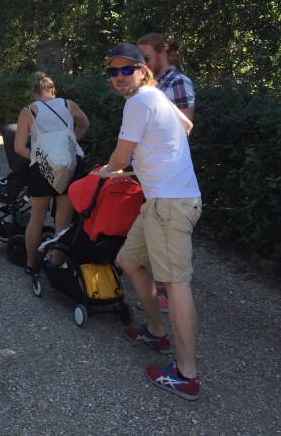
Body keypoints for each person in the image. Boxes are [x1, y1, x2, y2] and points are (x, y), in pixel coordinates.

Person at [95, 43, 202, 401]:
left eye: (128, 69)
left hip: (169, 203)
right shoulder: (157, 96)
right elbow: (186, 125)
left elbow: (119, 159)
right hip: (163, 200)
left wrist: (105, 171)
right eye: (113, 71)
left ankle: (186, 375)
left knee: (176, 283)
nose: (120, 77)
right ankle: (156, 332)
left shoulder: (139, 102)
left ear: (144, 70)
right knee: (128, 260)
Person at [137, 33, 196, 312]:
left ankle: (168, 292)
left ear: (163, 53)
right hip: (153, 174)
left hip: (168, 178)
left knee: (169, 239)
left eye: (146, 58)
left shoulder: (178, 83)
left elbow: (184, 130)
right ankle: (162, 287)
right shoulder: (153, 83)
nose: (142, 64)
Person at [14, 72, 89, 275]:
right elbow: (85, 124)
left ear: (35, 94)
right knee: (63, 221)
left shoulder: (29, 111)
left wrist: (39, 157)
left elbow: (19, 148)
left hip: (42, 169)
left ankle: (31, 264)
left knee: (36, 218)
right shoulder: (68, 105)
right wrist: (70, 143)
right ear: (54, 91)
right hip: (70, 166)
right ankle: (56, 265)